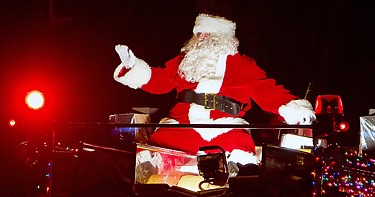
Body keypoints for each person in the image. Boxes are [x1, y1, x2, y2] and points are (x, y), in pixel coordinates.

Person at [113, 13, 316, 173]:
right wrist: (133, 66)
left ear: (222, 39)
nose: (201, 38)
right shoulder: (184, 61)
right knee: (160, 143)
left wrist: (295, 109)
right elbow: (159, 80)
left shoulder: (243, 65)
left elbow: (268, 90)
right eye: (198, 34)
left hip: (225, 126)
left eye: (206, 34)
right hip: (183, 124)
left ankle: (237, 179)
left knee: (239, 147)